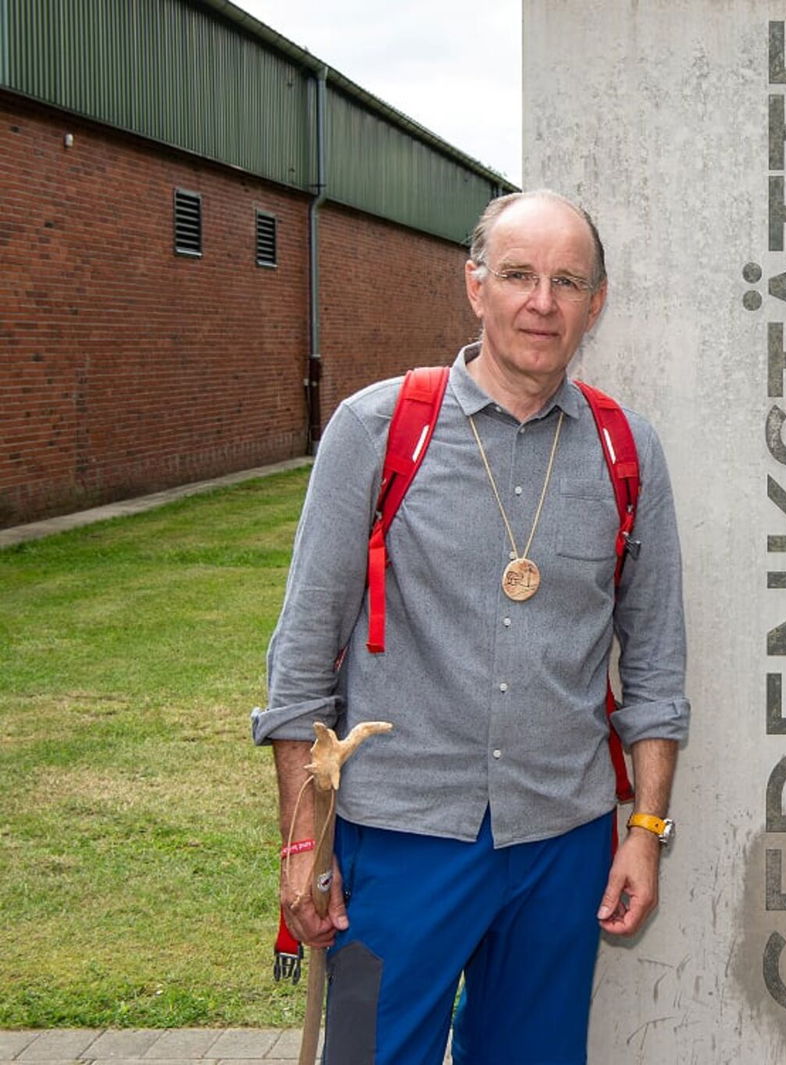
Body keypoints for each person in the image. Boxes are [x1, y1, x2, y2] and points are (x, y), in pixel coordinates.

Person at [252, 189, 689, 1065]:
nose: (543, 302)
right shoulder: (377, 429)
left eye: (568, 281)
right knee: (370, 1054)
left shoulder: (623, 450)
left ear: (595, 303)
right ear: (475, 285)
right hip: (396, 843)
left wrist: (645, 833)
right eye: (519, 274)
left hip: (558, 849)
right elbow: (300, 661)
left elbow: (657, 669)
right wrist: (304, 842)